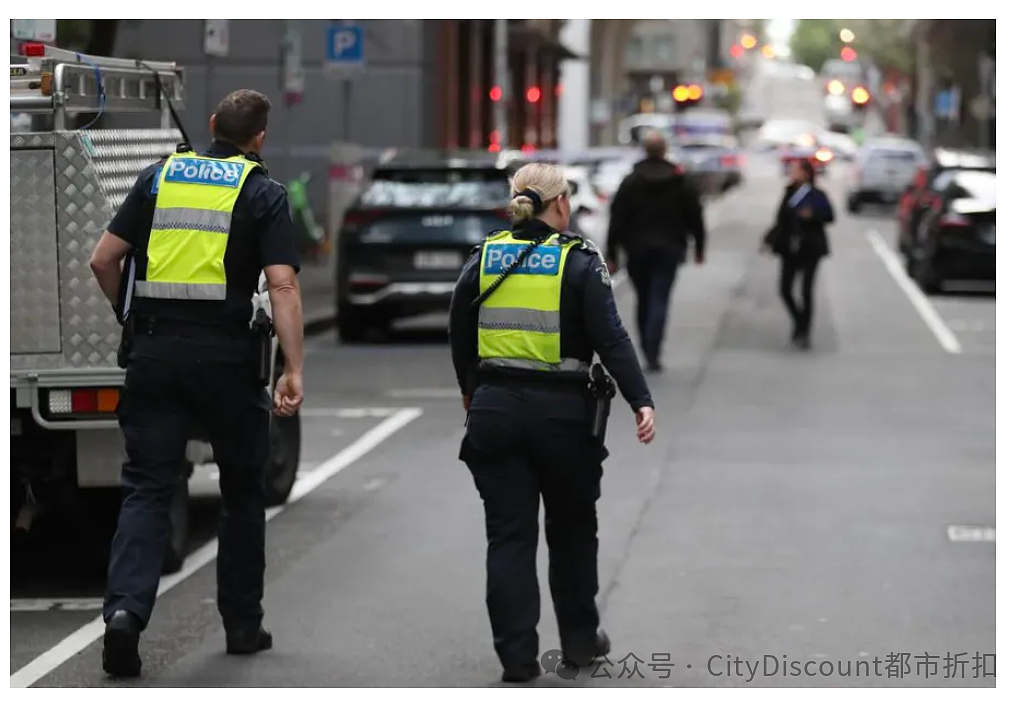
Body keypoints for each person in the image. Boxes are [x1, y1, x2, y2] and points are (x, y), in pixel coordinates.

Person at [88, 89, 305, 678]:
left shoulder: (158, 178)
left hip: (155, 355)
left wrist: (131, 321)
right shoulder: (263, 192)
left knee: (148, 489)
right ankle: (241, 625)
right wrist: (293, 368)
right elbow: (282, 287)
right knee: (241, 491)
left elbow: (103, 260)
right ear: (259, 138)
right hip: (229, 363)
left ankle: (125, 615)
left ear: (211, 125)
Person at [448, 163, 656, 683]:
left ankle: (517, 660)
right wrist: (640, 400)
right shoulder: (580, 262)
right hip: (564, 418)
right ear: (559, 204)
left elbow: (458, 325)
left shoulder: (484, 257)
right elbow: (610, 338)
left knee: (509, 537)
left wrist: (470, 391)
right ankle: (581, 643)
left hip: (495, 412)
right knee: (571, 533)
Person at [605, 130, 707, 372]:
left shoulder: (631, 181)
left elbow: (617, 218)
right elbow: (695, 215)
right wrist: (700, 246)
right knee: (660, 297)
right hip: (670, 248)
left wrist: (612, 252)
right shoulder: (679, 181)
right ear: (664, 151)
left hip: (637, 249)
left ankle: (646, 346)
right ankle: (654, 349)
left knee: (643, 298)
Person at [762, 158, 835, 349]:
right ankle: (798, 320)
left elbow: (830, 216)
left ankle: (805, 332)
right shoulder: (789, 193)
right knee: (785, 289)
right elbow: (780, 219)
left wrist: (812, 215)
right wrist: (769, 239)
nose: (793, 173)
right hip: (790, 247)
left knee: (806, 290)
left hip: (811, 247)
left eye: (796, 170)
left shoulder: (817, 194)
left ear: (806, 173)